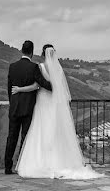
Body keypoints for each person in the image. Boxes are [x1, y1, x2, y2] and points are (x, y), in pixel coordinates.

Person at [11, 44, 102, 179]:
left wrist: (19, 89)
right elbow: (60, 88)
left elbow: (37, 85)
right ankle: (59, 161)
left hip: (42, 101)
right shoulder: (58, 69)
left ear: (43, 53)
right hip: (54, 103)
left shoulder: (40, 67)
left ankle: (42, 162)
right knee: (55, 131)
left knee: (41, 130)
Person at [4, 40, 52, 175]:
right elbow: (42, 83)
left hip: (14, 107)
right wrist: (56, 87)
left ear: (22, 50)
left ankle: (7, 167)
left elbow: (9, 89)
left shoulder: (12, 66)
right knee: (25, 137)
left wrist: (12, 102)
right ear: (32, 52)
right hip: (27, 108)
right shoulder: (33, 67)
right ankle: (21, 165)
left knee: (11, 137)